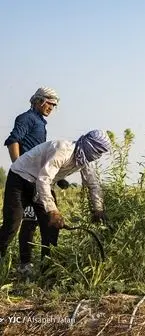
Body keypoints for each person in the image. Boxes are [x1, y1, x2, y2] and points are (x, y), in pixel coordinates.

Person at [0, 129, 111, 268]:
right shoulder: (64, 149)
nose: (98, 155)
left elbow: (93, 184)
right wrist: (53, 211)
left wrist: (98, 209)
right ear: (90, 145)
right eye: (98, 151)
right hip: (21, 178)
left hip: (40, 184)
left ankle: (46, 268)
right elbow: (44, 179)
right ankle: (3, 258)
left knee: (51, 227)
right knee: (12, 225)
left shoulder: (84, 159)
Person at [3, 87, 67, 276]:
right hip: (23, 180)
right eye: (50, 104)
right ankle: (24, 263)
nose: (52, 108)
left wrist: (59, 178)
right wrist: (18, 166)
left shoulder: (41, 122)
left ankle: (48, 268)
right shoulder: (26, 118)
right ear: (40, 101)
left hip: (38, 180)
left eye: (54, 105)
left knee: (47, 222)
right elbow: (13, 141)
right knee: (17, 224)